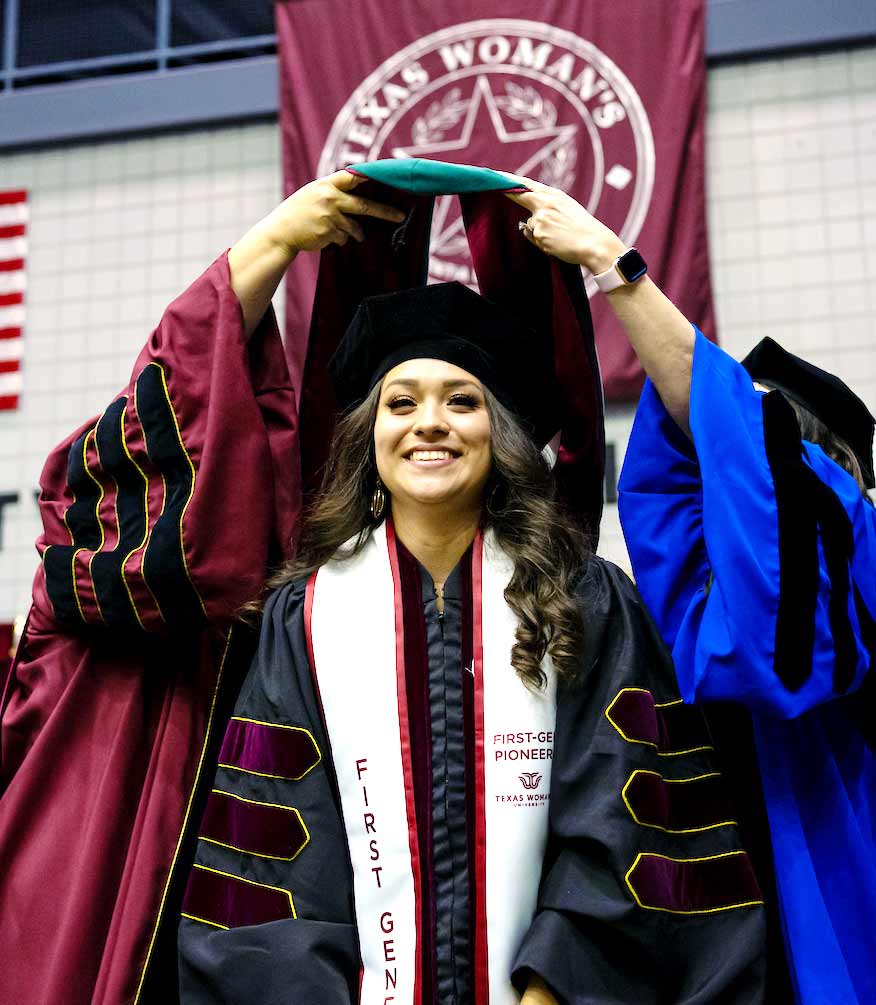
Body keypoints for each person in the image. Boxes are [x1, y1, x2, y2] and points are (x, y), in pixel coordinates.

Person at [2, 160, 765, 1005]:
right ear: (369, 438)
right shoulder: (304, 616)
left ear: (500, 436)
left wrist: (551, 990)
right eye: (401, 403)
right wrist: (274, 241)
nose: (430, 422)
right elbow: (265, 865)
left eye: (462, 401)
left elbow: (630, 826)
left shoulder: (586, 598)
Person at [507, 178, 876, 1003]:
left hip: (823, 930)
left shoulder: (852, 559)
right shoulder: (668, 617)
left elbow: (769, 629)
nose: (722, 480)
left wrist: (617, 267)